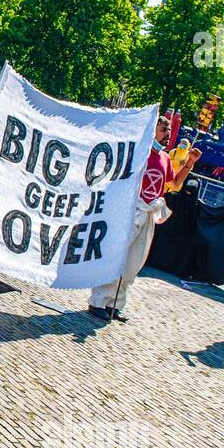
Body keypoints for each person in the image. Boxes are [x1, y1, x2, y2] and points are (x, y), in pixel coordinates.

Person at [87, 116, 199, 321]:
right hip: (131, 210)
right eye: (163, 130)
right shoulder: (140, 152)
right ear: (152, 130)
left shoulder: (165, 158)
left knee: (134, 261)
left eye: (169, 132)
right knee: (117, 256)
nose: (167, 136)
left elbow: (174, 184)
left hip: (148, 213)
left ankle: (115, 304)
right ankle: (98, 300)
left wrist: (189, 163)